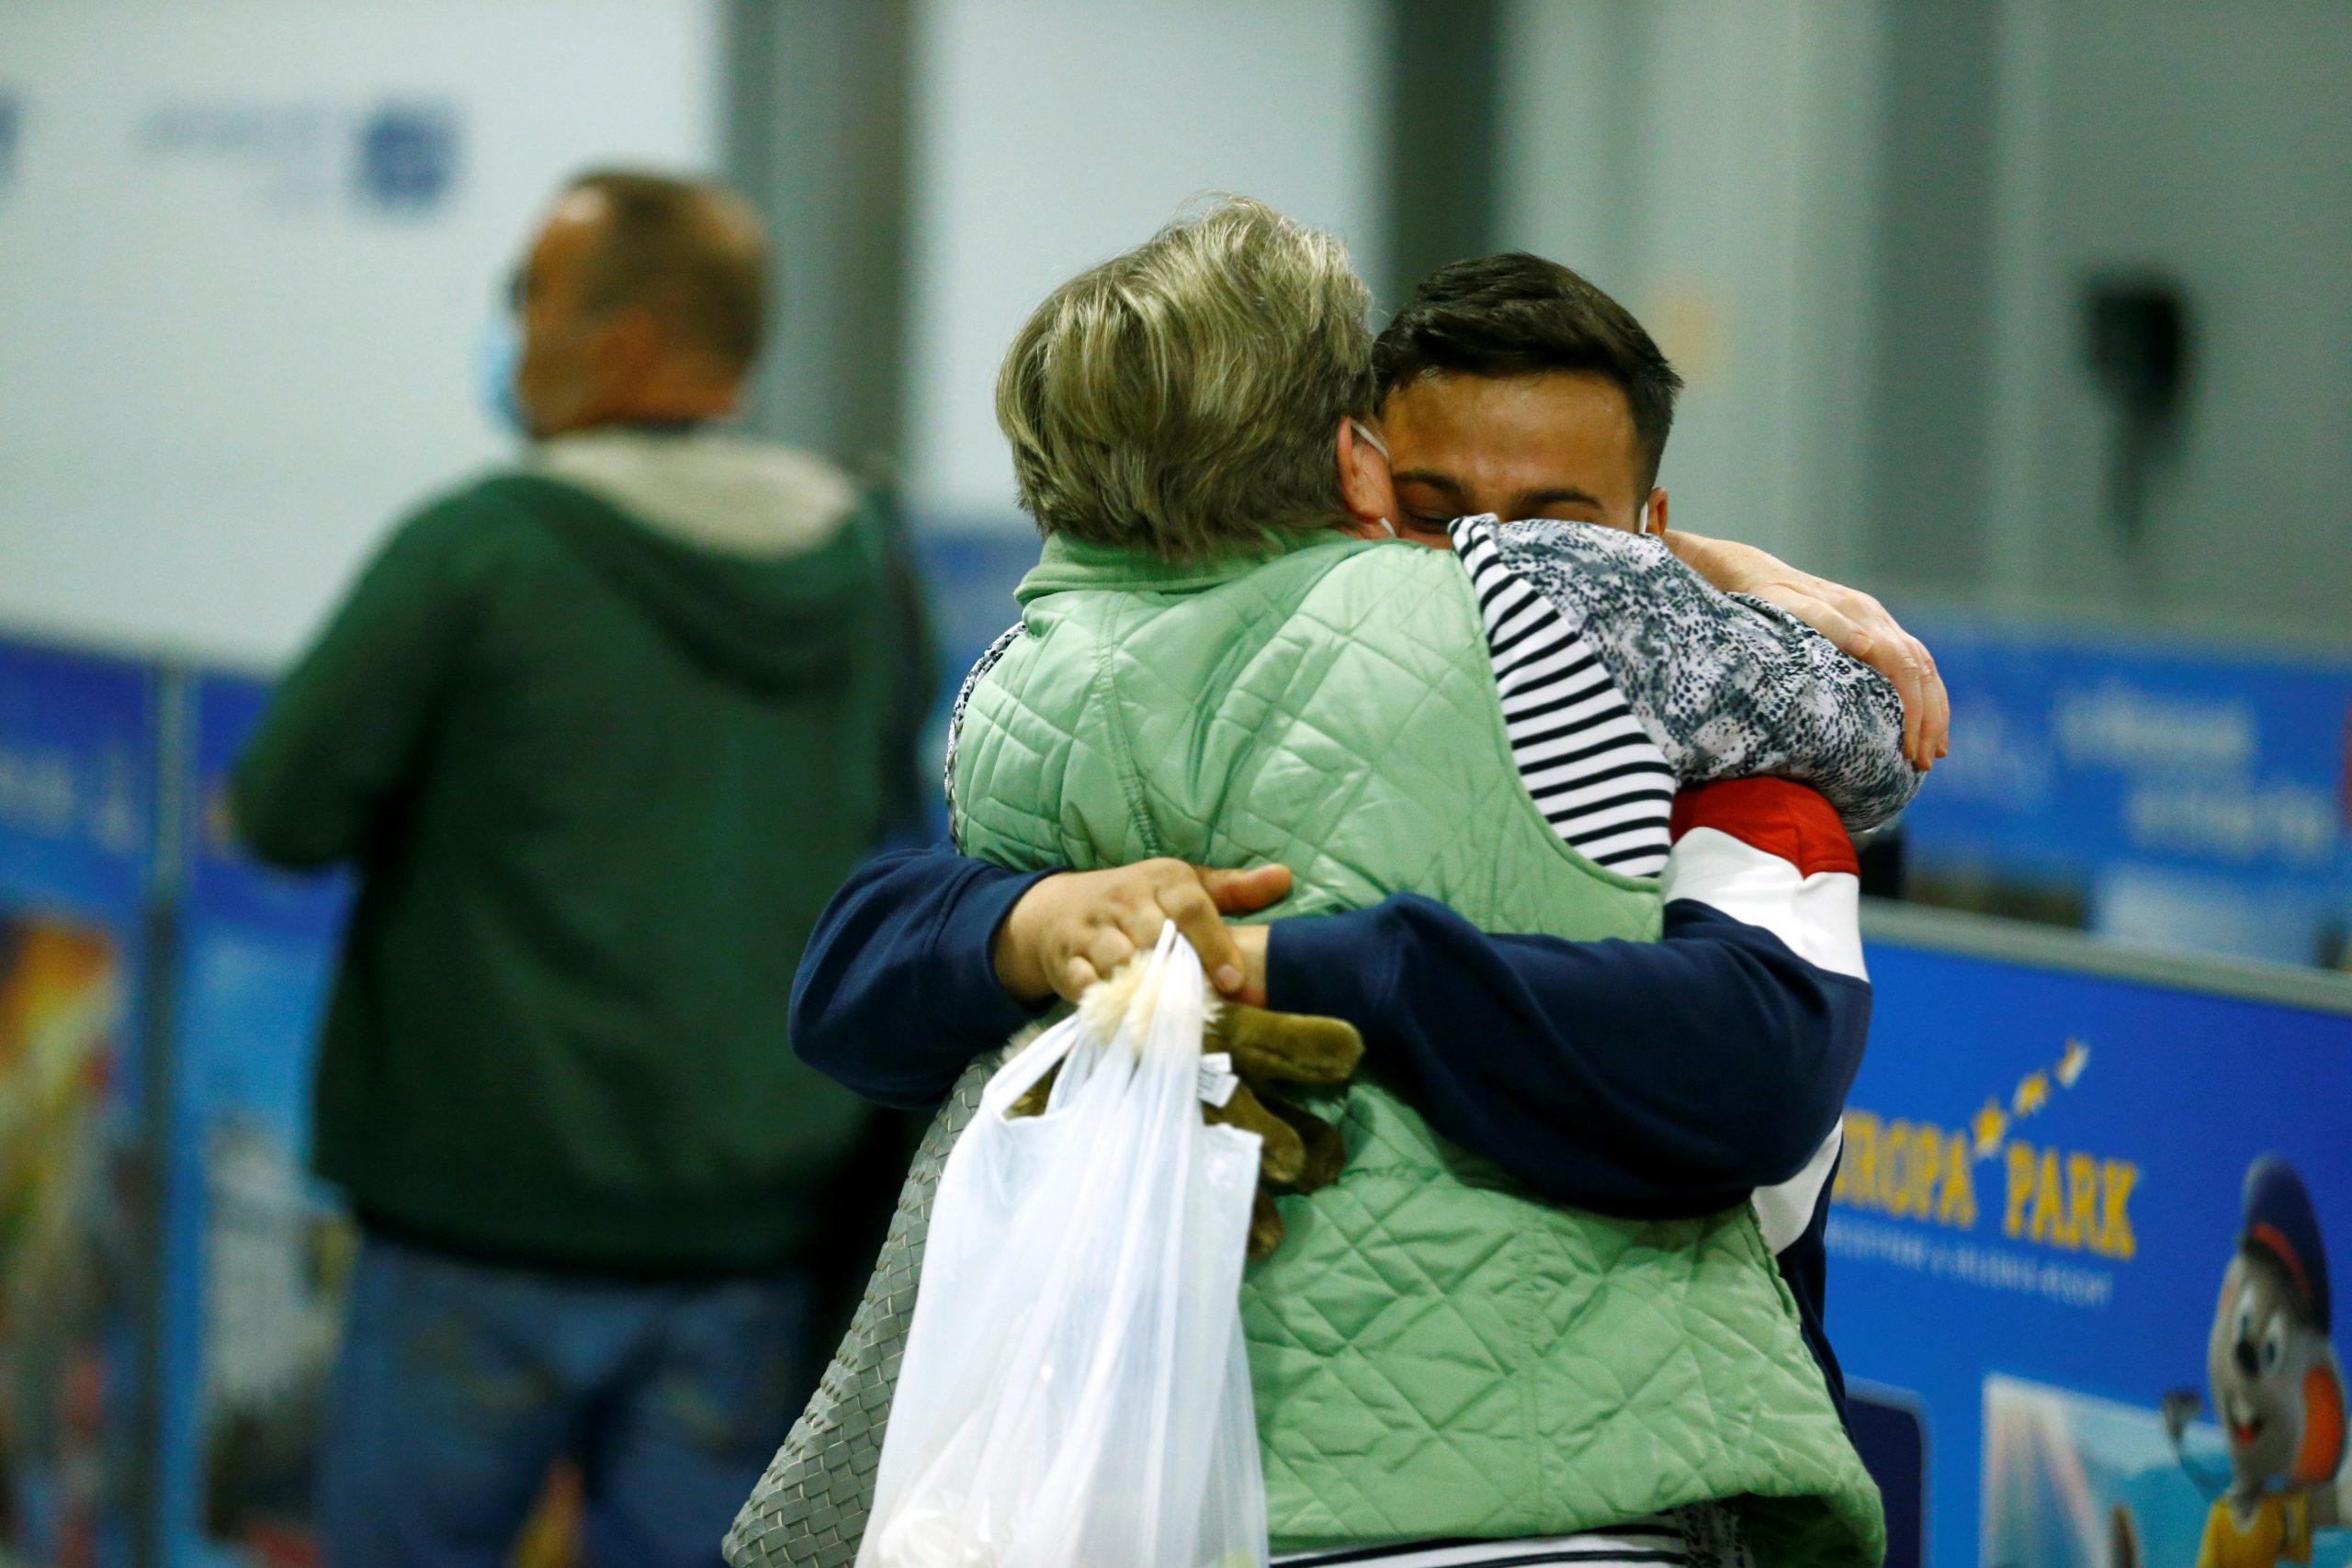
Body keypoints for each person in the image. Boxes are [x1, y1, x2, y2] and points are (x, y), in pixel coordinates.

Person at [729, 200, 1908, 1568]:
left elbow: (1754, 1068)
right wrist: (1033, 924)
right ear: (1356, 472)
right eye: (1434, 511)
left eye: (1557, 529)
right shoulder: (1167, 693)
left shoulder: (1724, 777)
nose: (1492, 557)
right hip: (1254, 1487)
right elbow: (856, 977)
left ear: (1641, 532)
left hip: (1563, 1493)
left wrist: (1296, 966)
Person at [231, 169, 934, 1568]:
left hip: (471, 1243)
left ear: (617, 343)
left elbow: (284, 811)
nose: (507, 328)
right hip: (744, 1252)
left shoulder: (479, 550)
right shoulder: (861, 562)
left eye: (530, 297)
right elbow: (892, 841)